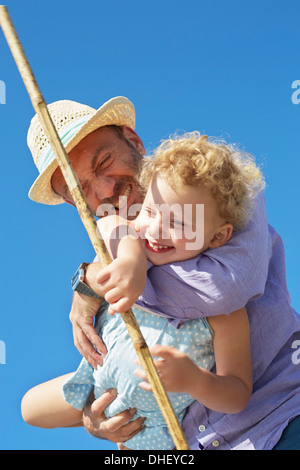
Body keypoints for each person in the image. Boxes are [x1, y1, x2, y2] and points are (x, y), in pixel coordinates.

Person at [22, 97, 300, 449]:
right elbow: (111, 223)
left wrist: (105, 276)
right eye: (81, 190)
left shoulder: (215, 188)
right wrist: (92, 415)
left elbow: (223, 290)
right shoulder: (120, 243)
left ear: (134, 142)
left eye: (104, 161)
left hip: (280, 414)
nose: (105, 190)